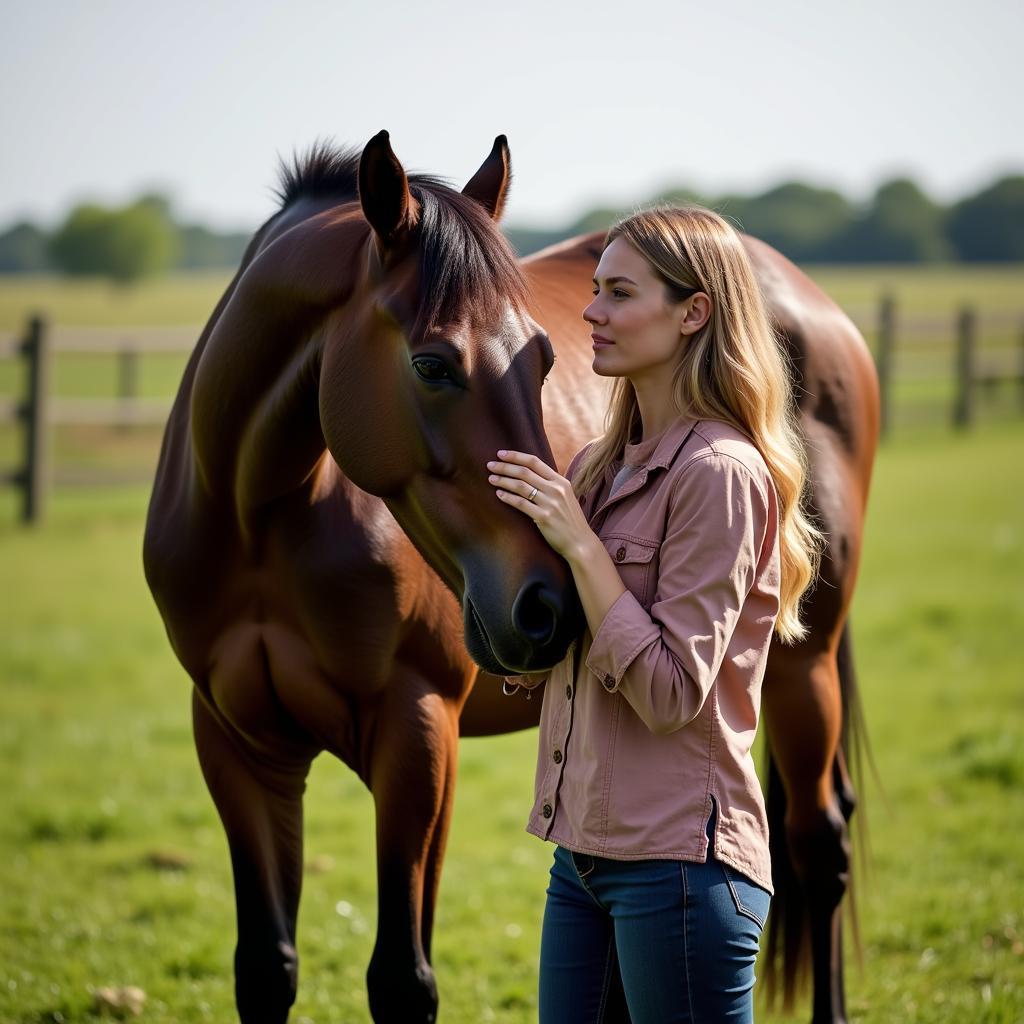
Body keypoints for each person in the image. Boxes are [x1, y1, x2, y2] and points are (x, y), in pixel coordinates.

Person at [485, 205, 821, 1024]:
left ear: (693, 313)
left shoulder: (721, 474)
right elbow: (569, 645)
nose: (590, 312)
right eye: (594, 290)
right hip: (582, 864)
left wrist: (584, 551)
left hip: (681, 870)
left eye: (620, 294)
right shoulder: (600, 468)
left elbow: (672, 694)